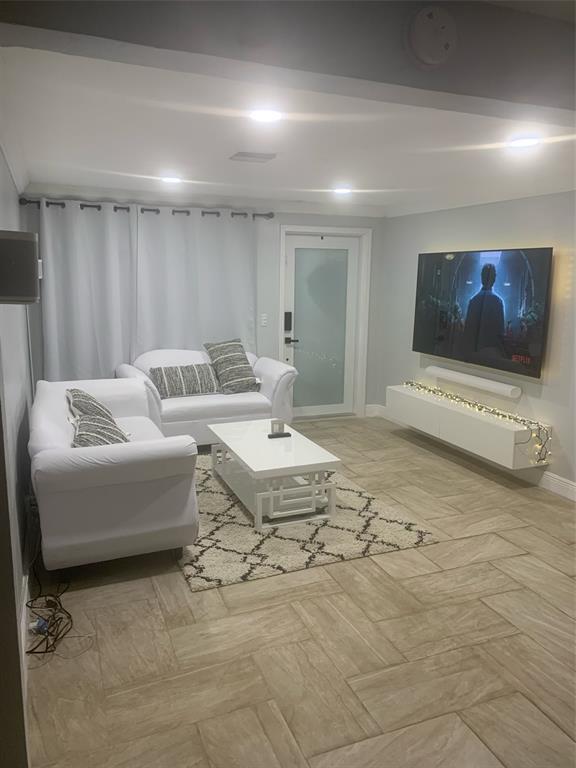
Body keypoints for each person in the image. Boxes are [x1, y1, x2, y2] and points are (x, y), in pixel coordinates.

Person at [463, 263, 505, 357]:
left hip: (473, 350)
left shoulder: (473, 301)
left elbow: (467, 329)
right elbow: (501, 331)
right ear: (494, 279)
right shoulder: (498, 301)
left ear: (481, 278)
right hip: (492, 351)